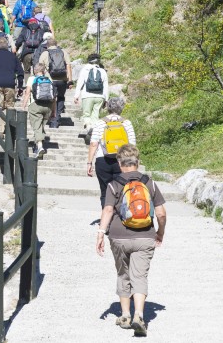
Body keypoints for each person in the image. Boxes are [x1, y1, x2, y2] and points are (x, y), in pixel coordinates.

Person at [96, 144, 166, 337]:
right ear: (138, 162)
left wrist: (101, 232)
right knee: (140, 276)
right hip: (145, 235)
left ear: (119, 163)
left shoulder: (113, 184)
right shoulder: (149, 183)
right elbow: (161, 213)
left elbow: (108, 210)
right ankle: (139, 316)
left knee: (123, 273)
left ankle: (125, 315)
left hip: (119, 236)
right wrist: (160, 232)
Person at [87, 97, 137, 206]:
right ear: (121, 108)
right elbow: (132, 144)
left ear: (108, 107)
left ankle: (107, 218)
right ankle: (120, 218)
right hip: (123, 161)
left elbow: (93, 143)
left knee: (105, 192)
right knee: (123, 191)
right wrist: (135, 163)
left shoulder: (100, 122)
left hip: (103, 160)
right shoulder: (126, 123)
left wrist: (89, 162)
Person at [38, 38, 72, 128]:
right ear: (56, 44)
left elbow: (40, 67)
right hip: (62, 80)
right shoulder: (63, 52)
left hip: (50, 80)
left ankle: (52, 118)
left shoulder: (45, 53)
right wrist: (70, 80)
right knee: (60, 98)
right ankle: (57, 117)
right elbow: (68, 65)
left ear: (47, 45)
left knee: (50, 99)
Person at [21, 63, 54, 156]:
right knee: (40, 126)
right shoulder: (49, 80)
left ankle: (39, 146)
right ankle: (37, 144)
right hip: (48, 106)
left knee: (37, 126)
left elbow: (27, 93)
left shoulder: (31, 79)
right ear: (44, 71)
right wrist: (54, 110)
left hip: (35, 105)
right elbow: (54, 96)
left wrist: (23, 106)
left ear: (34, 70)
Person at [74, 53, 108, 132]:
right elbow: (106, 86)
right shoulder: (102, 71)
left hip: (87, 95)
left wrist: (76, 96)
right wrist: (106, 99)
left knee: (87, 114)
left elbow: (80, 83)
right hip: (100, 96)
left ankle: (89, 128)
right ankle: (95, 132)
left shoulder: (85, 69)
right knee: (95, 116)